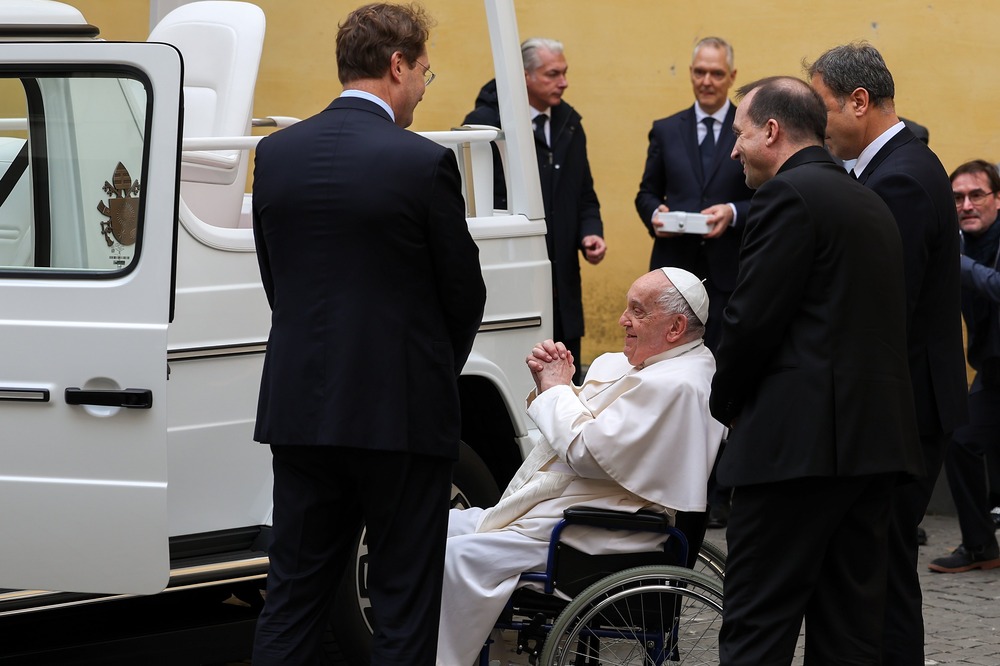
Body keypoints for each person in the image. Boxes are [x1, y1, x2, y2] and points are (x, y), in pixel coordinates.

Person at [249, 4, 487, 664]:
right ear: (397, 65)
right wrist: (430, 366)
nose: (420, 89)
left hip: (301, 409)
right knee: (403, 599)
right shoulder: (423, 163)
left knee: (292, 596)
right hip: (400, 417)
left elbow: (281, 284)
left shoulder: (276, 155)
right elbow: (463, 294)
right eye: (425, 75)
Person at [710, 76, 921, 665]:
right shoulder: (867, 199)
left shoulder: (788, 196)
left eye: (740, 134)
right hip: (870, 449)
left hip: (794, 453)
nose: (734, 150)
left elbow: (750, 322)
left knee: (757, 626)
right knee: (850, 633)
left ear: (771, 132)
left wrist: (723, 405)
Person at [435, 268, 725, 666]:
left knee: (455, 557)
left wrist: (556, 390)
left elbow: (587, 451)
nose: (622, 319)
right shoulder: (663, 366)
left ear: (675, 326)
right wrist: (555, 385)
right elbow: (600, 432)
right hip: (579, 513)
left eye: (637, 312)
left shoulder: (677, 384)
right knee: (436, 529)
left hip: (597, 532)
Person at [808, 43, 968, 665]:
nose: (818, 127)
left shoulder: (900, 176)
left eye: (822, 107)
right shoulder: (900, 164)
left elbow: (885, 307)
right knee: (885, 563)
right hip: (910, 403)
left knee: (887, 567)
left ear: (859, 101)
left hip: (908, 408)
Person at [462, 37, 606, 383]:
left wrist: (591, 231)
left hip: (563, 278)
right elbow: (476, 201)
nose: (564, 82)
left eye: (564, 72)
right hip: (513, 275)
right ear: (523, 76)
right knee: (522, 371)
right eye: (553, 74)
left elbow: (584, 191)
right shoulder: (485, 125)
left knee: (566, 367)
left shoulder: (569, 122)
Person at [928, 160, 1000, 574]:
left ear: (997, 199)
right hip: (991, 372)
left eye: (977, 195)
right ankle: (980, 546)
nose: (966, 205)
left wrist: (953, 261)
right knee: (962, 441)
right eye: (957, 198)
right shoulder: (958, 242)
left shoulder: (958, 252)